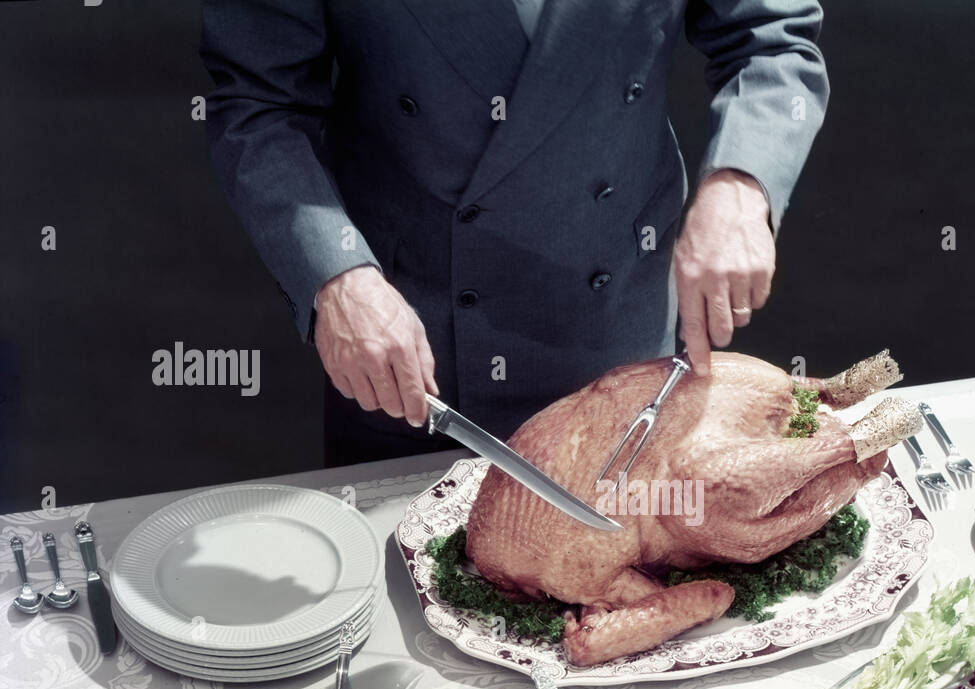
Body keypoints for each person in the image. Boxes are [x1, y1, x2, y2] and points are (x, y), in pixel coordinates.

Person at [200, 0, 829, 464]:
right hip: (409, 353)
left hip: (618, 337)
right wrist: (333, 276)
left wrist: (742, 182)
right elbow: (258, 106)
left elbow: (771, 39)